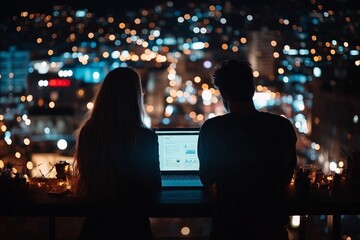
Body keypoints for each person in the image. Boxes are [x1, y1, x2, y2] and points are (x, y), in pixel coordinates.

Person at [197, 59, 297, 240]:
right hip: (271, 227)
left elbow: (206, 178)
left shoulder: (212, 129)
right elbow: (286, 175)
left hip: (229, 227)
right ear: (252, 89)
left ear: (224, 94)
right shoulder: (282, 127)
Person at [73, 67, 161, 240]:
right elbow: (154, 184)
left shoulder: (89, 133)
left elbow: (85, 181)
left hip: (96, 227)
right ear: (135, 98)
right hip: (133, 226)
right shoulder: (145, 137)